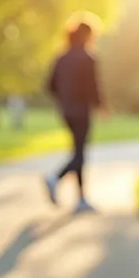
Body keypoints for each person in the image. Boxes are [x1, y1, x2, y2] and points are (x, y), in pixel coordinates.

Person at [44, 13, 107, 213]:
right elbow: (93, 87)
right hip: (81, 111)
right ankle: (56, 177)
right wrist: (101, 105)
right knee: (80, 153)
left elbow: (49, 85)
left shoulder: (61, 58)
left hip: (66, 111)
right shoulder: (87, 58)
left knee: (77, 151)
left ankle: (80, 198)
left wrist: (64, 99)